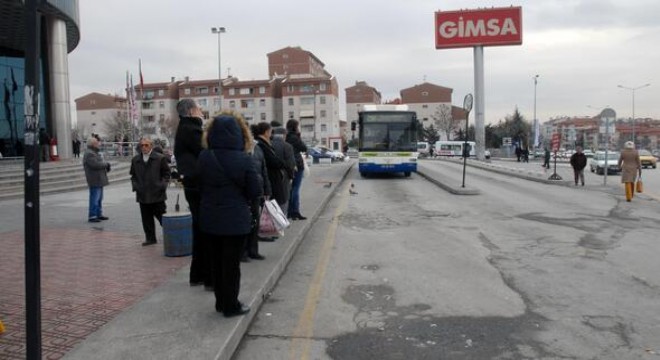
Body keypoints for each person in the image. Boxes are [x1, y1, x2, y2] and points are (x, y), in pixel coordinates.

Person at [198, 112, 262, 317]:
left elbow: (199, 185)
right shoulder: (244, 159)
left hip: (209, 218)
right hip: (235, 220)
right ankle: (231, 305)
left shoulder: (205, 156)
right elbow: (255, 191)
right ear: (239, 134)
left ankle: (220, 302)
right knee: (231, 265)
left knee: (216, 262)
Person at [174, 99, 211, 288]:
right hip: (198, 186)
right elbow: (207, 152)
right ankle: (203, 274)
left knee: (200, 229)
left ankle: (197, 274)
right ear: (190, 111)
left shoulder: (187, 128)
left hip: (193, 184)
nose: (201, 111)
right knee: (204, 230)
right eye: (198, 108)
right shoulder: (191, 130)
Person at [130, 137, 171, 246]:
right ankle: (150, 238)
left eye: (146, 145)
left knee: (163, 217)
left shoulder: (160, 158)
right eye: (142, 145)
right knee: (146, 219)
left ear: (151, 146)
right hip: (142, 194)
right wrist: (135, 186)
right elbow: (133, 176)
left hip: (157, 194)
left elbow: (166, 174)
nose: (144, 147)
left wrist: (162, 185)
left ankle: (172, 236)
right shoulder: (135, 160)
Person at [244, 124, 271, 261]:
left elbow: (263, 170)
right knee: (244, 222)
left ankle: (253, 251)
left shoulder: (257, 148)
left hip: (257, 190)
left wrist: (267, 189)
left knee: (255, 221)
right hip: (243, 192)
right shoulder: (239, 148)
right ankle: (243, 253)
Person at [254, 122, 288, 217]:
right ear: (266, 132)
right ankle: (273, 225)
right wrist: (283, 163)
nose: (271, 134)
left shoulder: (264, 144)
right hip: (271, 178)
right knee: (274, 205)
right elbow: (273, 161)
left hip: (271, 178)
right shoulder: (261, 145)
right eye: (270, 131)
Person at [83, 137, 111, 222]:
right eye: (97, 143)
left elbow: (98, 163)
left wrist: (105, 165)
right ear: (93, 144)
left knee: (99, 198)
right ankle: (92, 215)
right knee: (95, 198)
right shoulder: (89, 153)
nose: (99, 144)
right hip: (95, 179)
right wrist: (106, 164)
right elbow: (95, 164)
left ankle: (98, 214)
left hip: (98, 179)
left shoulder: (94, 152)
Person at [270, 123, 296, 214]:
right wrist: (291, 177)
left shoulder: (268, 145)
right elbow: (291, 164)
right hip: (283, 178)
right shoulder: (287, 146)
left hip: (270, 179)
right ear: (284, 135)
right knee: (283, 203)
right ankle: (281, 225)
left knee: (272, 204)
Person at [285, 119, 308, 220]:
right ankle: (295, 212)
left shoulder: (286, 137)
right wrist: (299, 135)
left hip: (289, 165)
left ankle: (290, 212)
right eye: (297, 126)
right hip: (297, 165)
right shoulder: (294, 137)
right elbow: (304, 147)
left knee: (290, 189)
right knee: (295, 189)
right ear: (295, 127)